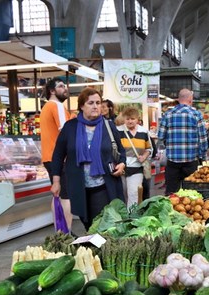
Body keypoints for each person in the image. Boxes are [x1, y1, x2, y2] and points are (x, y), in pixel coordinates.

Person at [50, 87, 127, 231]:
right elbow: (58, 155)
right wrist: (56, 182)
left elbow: (121, 151)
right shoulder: (70, 127)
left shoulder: (108, 126)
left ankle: (101, 249)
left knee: (100, 224)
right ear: (81, 106)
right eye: (91, 103)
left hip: (103, 184)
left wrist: (122, 164)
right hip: (78, 186)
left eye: (98, 103)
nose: (96, 106)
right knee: (87, 222)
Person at [157, 88, 208, 195]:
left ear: (178, 99)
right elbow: (203, 139)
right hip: (191, 161)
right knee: (192, 194)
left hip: (172, 162)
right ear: (190, 99)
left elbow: (160, 136)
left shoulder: (168, 114)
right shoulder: (196, 114)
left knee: (171, 193)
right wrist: (202, 156)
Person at [40, 77, 74, 232]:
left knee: (57, 195)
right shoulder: (57, 106)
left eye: (65, 86)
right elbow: (65, 130)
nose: (65, 89)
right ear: (52, 91)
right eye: (61, 86)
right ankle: (66, 232)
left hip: (49, 157)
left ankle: (59, 230)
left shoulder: (45, 107)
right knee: (66, 196)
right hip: (60, 157)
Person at [118, 107, 152, 208]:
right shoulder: (118, 131)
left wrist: (144, 156)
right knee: (122, 195)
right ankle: (122, 217)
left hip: (137, 168)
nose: (130, 121)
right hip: (121, 168)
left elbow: (149, 148)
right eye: (127, 119)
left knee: (133, 194)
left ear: (137, 119)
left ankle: (131, 219)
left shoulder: (143, 132)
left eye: (132, 119)